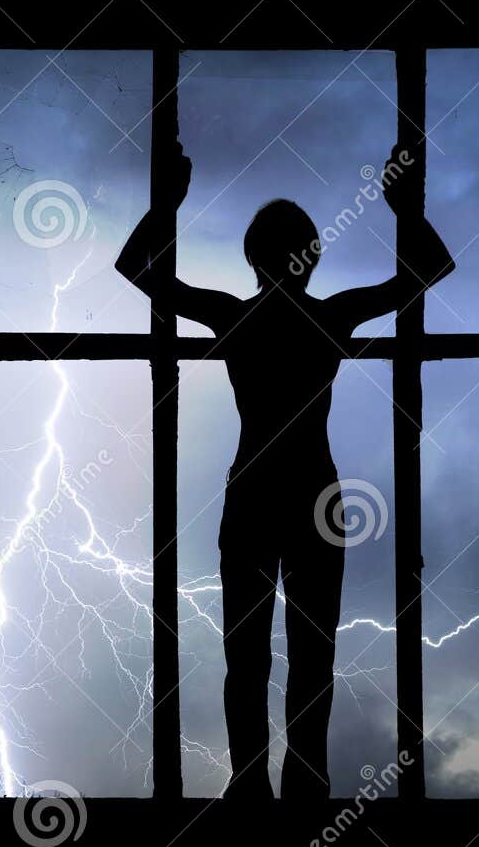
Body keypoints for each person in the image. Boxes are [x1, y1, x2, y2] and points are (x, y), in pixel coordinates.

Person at [114, 143, 455, 799]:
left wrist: (165, 206)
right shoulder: (330, 316)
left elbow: (137, 269)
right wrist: (403, 208)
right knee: (312, 653)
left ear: (253, 259)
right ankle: (306, 782)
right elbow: (430, 268)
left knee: (247, 656)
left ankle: (251, 785)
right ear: (313, 256)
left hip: (252, 494)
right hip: (315, 495)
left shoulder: (235, 316)